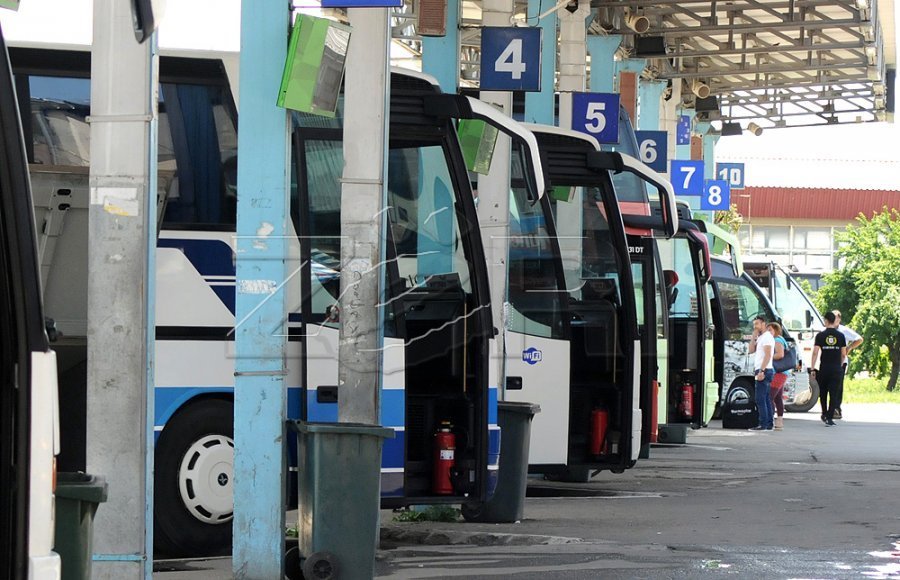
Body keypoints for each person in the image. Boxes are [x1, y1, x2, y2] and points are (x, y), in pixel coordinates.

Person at [810, 311, 847, 427]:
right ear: (834, 320)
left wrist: (812, 368)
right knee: (834, 393)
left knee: (823, 392)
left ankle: (824, 413)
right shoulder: (841, 336)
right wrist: (840, 366)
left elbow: (815, 353)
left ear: (826, 321)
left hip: (824, 368)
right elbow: (843, 354)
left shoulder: (820, 336)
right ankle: (830, 417)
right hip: (836, 369)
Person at [832, 310, 863, 420]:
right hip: (828, 362)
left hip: (841, 362)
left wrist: (849, 347)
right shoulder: (826, 330)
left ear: (839, 319)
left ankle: (837, 409)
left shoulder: (843, 330)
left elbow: (859, 339)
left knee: (838, 386)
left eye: (835, 317)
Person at [748, 315, 775, 431]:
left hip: (764, 370)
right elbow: (750, 350)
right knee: (765, 398)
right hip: (761, 369)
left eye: (757, 324)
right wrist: (753, 337)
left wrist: (761, 371)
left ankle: (763, 423)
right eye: (754, 324)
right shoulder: (760, 337)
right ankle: (768, 423)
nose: (755, 326)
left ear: (764, 324)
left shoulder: (767, 337)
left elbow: (768, 355)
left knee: (760, 398)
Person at [768, 322, 789, 431]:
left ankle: (769, 419)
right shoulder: (781, 339)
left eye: (770, 330)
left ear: (776, 330)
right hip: (782, 372)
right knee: (777, 397)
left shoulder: (777, 340)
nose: (768, 332)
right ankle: (779, 421)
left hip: (778, 372)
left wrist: (768, 356)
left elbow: (780, 354)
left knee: (769, 396)